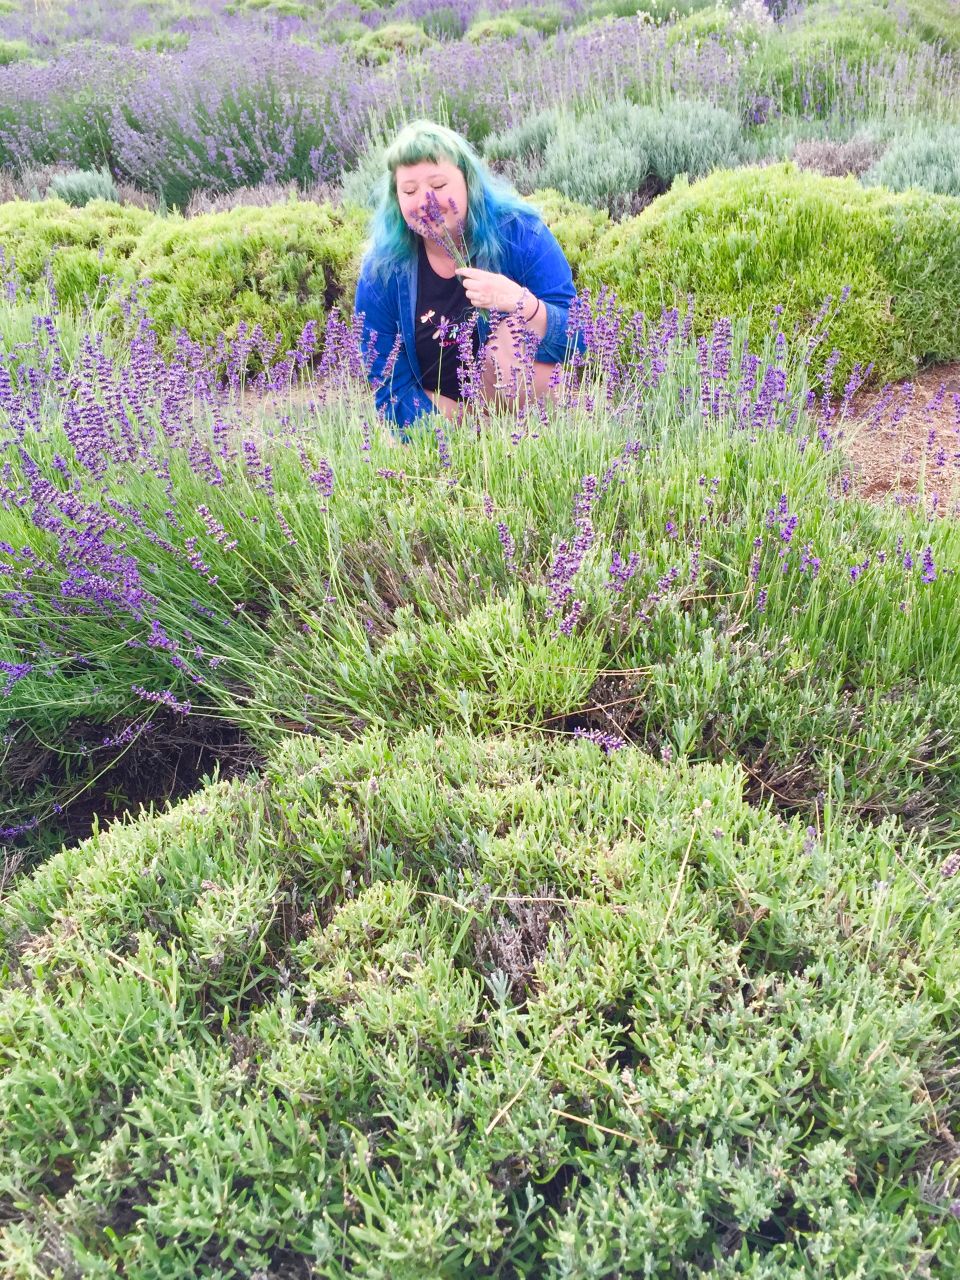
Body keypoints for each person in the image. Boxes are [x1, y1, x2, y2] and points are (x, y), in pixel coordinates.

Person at [353, 118, 585, 436]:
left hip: (525, 414)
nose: (425, 202)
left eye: (438, 186)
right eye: (409, 190)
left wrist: (522, 303)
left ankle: (529, 446)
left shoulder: (521, 233)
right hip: (442, 418)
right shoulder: (382, 271)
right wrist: (464, 437)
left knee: (512, 333)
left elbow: (580, 339)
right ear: (396, 198)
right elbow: (389, 386)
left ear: (468, 182)